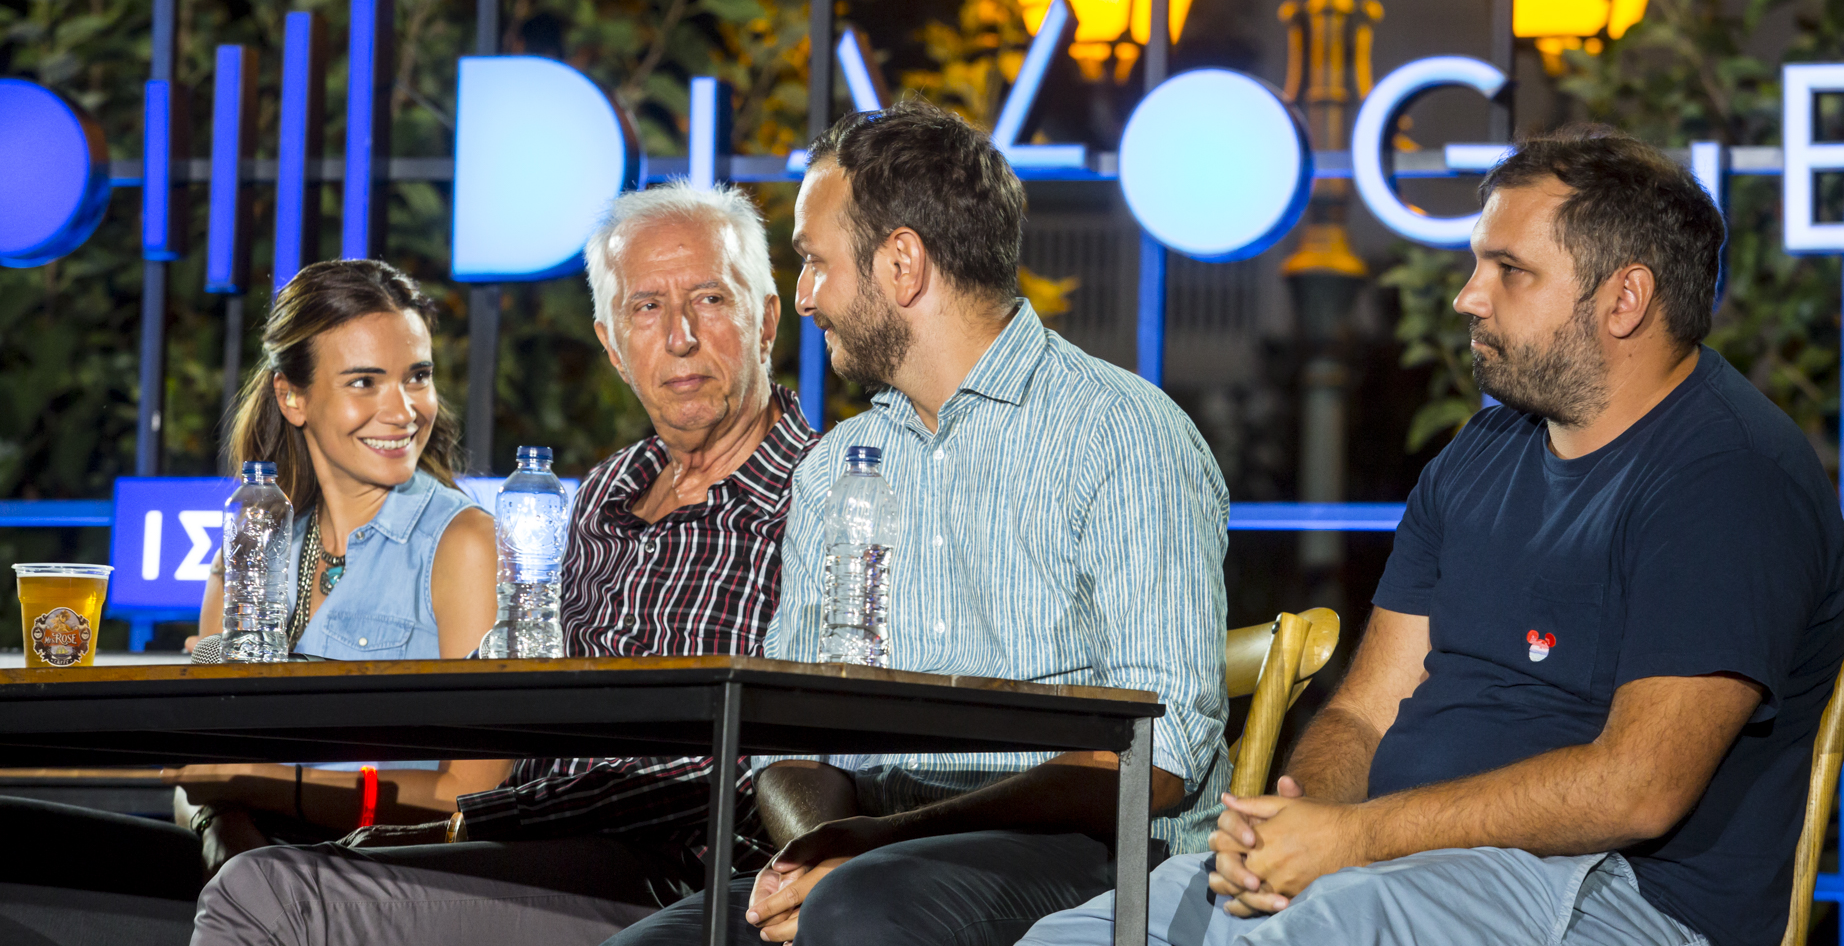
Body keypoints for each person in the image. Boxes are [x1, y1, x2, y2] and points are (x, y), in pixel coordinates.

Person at [1020, 128, 1844, 946]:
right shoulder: (1483, 451)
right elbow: (1362, 709)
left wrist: (1355, 840)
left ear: (1625, 298)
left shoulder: (1728, 476)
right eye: (1477, 265)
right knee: (1090, 929)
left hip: (1608, 890)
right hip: (1398, 866)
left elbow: (1638, 786)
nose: (1468, 294)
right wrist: (1299, 822)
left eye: (1510, 271)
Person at [609, 100, 1230, 946]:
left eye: (814, 261)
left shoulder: (1121, 434)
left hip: (1095, 856)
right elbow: (788, 738)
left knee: (863, 910)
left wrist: (876, 845)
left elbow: (1153, 758)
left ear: (901, 263)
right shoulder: (839, 464)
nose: (803, 296)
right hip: (874, 859)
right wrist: (819, 846)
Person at [192, 181, 819, 946]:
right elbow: (514, 705)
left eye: (712, 299)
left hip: (685, 878)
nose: (681, 335)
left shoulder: (820, 495)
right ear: (612, 345)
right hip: (542, 850)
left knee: (270, 893)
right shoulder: (602, 493)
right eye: (646, 307)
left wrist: (464, 819)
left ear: (766, 321)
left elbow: (742, 772)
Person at [0, 258, 500, 944]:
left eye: (418, 374)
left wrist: (271, 788)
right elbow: (201, 778)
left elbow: (472, 802)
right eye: (365, 381)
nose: (404, 408)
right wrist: (226, 831)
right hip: (249, 864)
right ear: (293, 397)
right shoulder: (252, 540)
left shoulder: (462, 541)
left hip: (388, 875)